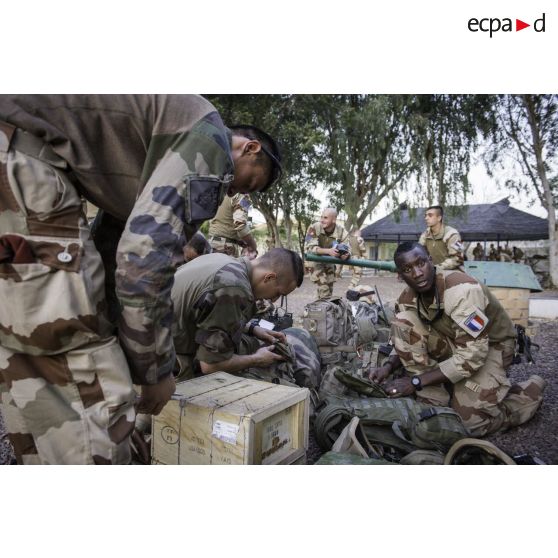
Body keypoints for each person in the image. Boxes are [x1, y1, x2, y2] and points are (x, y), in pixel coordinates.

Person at [0, 94, 282, 464]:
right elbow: (143, 262)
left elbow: (109, 247)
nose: (235, 191)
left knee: (31, 344)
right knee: (82, 361)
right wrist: (154, 372)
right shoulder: (211, 140)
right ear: (250, 148)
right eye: (250, 183)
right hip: (25, 161)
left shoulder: (155, 143)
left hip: (15, 158)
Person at [369, 242, 545, 437]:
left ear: (431, 260)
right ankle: (435, 395)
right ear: (400, 276)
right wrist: (388, 366)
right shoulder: (406, 299)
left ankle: (528, 392)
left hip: (492, 346)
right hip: (454, 340)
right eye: (408, 269)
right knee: (402, 322)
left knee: (470, 424)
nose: (418, 273)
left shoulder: (462, 291)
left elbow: (473, 355)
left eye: (421, 263)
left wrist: (416, 381)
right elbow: (404, 337)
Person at [170, 248, 307, 380]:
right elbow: (210, 366)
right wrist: (257, 360)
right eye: (278, 294)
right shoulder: (234, 288)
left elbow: (207, 313)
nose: (274, 300)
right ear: (269, 278)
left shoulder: (227, 262)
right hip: (163, 360)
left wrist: (252, 328)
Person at [304, 208, 351, 299]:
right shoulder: (313, 227)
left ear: (334, 220)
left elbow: (348, 249)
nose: (322, 220)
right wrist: (328, 251)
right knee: (324, 290)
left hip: (329, 263)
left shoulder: (342, 231)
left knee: (328, 290)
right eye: (321, 217)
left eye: (325, 218)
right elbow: (310, 248)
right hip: (315, 261)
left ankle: (316, 310)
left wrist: (346, 255)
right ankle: (322, 311)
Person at [208, 193, 258, 259]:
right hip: (225, 248)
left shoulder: (219, 192)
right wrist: (252, 245)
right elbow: (240, 225)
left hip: (211, 244)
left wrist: (237, 240)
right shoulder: (241, 194)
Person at [418, 205, 464, 270]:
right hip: (433, 271)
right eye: (426, 215)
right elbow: (419, 254)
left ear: (439, 218)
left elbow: (457, 259)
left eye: (430, 215)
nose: (426, 218)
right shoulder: (425, 235)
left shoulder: (452, 234)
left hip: (453, 272)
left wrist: (436, 267)